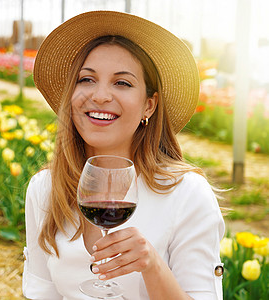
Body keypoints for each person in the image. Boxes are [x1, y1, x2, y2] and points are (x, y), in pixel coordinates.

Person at [23, 11, 225, 300]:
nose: (101, 96)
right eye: (86, 79)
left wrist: (152, 265)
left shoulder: (187, 195)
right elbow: (41, 293)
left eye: (122, 83)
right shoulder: (45, 188)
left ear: (149, 106)